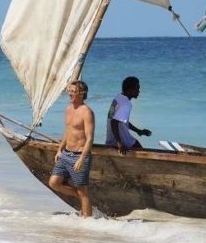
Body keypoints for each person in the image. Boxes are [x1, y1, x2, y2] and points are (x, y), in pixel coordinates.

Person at [48, 80, 95, 218]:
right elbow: (68, 131)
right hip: (65, 153)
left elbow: (90, 138)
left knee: (83, 191)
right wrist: (59, 149)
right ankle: (80, 197)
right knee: (54, 182)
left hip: (79, 155)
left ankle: (87, 221)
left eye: (73, 91)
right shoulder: (68, 108)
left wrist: (81, 158)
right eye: (70, 91)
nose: (70, 94)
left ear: (82, 93)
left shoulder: (87, 112)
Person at [106, 76, 152, 155]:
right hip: (122, 141)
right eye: (137, 88)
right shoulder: (126, 104)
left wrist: (138, 131)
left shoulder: (118, 97)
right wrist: (119, 143)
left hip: (110, 140)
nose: (139, 91)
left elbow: (121, 120)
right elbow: (114, 122)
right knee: (143, 154)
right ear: (130, 89)